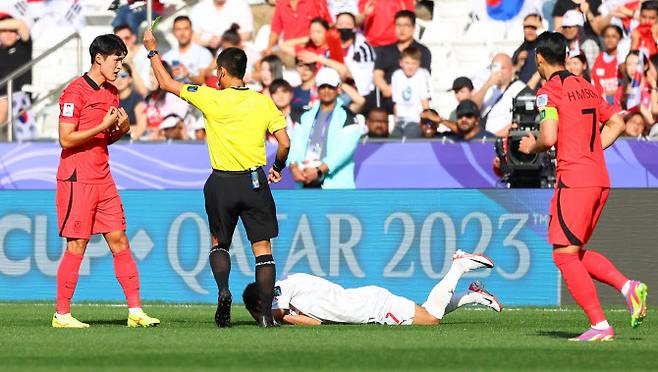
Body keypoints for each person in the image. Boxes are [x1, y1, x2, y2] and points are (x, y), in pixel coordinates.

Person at [144, 29, 291, 328]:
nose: (216, 78)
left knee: (219, 243)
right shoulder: (262, 102)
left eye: (217, 73)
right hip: (253, 181)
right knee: (262, 250)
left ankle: (223, 290)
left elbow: (166, 82)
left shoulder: (211, 97)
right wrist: (279, 166)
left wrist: (152, 51)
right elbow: (285, 142)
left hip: (221, 182)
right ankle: (265, 315)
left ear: (223, 72)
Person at [518, 31, 647, 341]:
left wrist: (530, 146)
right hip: (599, 178)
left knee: (563, 255)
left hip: (574, 180)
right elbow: (618, 121)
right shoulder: (587, 86)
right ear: (565, 56)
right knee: (573, 252)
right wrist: (591, 151)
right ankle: (628, 287)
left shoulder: (548, 93)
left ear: (538, 59)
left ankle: (600, 325)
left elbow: (548, 138)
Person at [53, 34, 159, 328]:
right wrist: (103, 125)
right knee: (77, 245)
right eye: (116, 60)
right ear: (99, 58)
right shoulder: (75, 92)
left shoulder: (111, 92)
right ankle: (62, 314)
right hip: (77, 179)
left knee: (120, 240)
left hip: (103, 178)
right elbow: (66, 138)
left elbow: (103, 138)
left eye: (122, 61)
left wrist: (120, 130)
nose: (119, 67)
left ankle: (135, 311)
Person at [242, 250, 502, 326]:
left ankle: (459, 266)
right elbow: (316, 325)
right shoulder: (287, 294)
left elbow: (277, 313)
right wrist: (283, 318)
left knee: (432, 319)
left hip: (372, 308)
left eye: (258, 312)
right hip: (367, 304)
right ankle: (472, 296)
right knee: (427, 311)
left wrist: (271, 319)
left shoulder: (281, 288)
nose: (262, 317)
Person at [288, 67, 364, 189]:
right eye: (323, 87)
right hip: (305, 181)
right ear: (317, 88)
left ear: (338, 89)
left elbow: (344, 151)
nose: (326, 91)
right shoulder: (305, 116)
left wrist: (319, 170)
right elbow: (295, 146)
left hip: (336, 185)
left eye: (331, 87)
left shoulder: (348, 116)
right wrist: (293, 167)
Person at [371, 10, 431, 114]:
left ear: (413, 28)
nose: (402, 29)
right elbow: (377, 74)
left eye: (406, 25)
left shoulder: (423, 51)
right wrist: (385, 88)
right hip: (389, 102)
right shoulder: (385, 51)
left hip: (413, 104)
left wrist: (397, 86)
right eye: (398, 25)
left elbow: (423, 77)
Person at [471, 54, 527, 137]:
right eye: (495, 67)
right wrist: (488, 84)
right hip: (484, 140)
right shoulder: (488, 88)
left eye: (503, 68)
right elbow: (472, 108)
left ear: (511, 69)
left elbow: (522, 119)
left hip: (504, 140)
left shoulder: (519, 88)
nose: (499, 72)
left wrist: (495, 137)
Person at [390, 47, 432, 139]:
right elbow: (396, 102)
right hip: (400, 121)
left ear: (419, 64)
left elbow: (425, 101)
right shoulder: (396, 75)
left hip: (415, 121)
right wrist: (395, 122)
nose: (410, 66)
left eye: (414, 63)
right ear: (401, 63)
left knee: (409, 140)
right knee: (392, 142)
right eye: (407, 63)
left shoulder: (422, 75)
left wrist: (425, 123)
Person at [264, 0, 332, 56]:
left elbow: (326, 24)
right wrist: (269, 47)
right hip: (289, 49)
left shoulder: (314, 2)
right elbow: (275, 29)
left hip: (312, 48)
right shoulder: (281, 4)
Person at [0, 15, 31, 128]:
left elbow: (21, 25)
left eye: (12, 31)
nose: (8, 34)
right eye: (4, 31)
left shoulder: (24, 46)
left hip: (20, 96)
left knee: (3, 102)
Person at [162, 16, 213, 85]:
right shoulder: (166, 56)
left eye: (186, 29)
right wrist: (171, 75)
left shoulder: (203, 53)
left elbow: (203, 80)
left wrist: (188, 74)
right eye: (178, 29)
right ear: (173, 32)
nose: (182, 33)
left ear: (191, 31)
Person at [335, 12, 376, 96]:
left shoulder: (363, 47)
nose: (344, 27)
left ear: (354, 27)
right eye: (340, 24)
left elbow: (366, 76)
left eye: (347, 24)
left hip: (358, 92)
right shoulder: (330, 46)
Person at [113, 24, 151, 96]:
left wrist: (129, 62)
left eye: (127, 38)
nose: (124, 42)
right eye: (120, 39)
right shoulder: (114, 56)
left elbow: (144, 91)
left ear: (134, 38)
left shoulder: (146, 53)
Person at [591, 25, 623, 104]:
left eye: (614, 36)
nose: (610, 40)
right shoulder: (599, 58)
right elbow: (595, 81)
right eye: (607, 36)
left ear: (620, 39)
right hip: (602, 102)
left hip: (619, 101)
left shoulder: (623, 59)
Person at [116, 63, 147, 140]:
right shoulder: (110, 98)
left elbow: (142, 126)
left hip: (130, 141)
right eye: (116, 75)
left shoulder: (137, 98)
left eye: (123, 75)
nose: (119, 79)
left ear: (130, 79)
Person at [268, 78, 304, 143]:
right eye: (275, 93)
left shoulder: (303, 115)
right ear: (271, 97)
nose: (280, 96)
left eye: (284, 92)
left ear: (291, 94)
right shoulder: (268, 120)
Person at [512, 13, 542, 83]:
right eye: (527, 27)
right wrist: (518, 65)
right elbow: (510, 77)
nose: (530, 30)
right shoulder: (518, 52)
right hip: (522, 91)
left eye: (534, 27)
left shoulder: (547, 50)